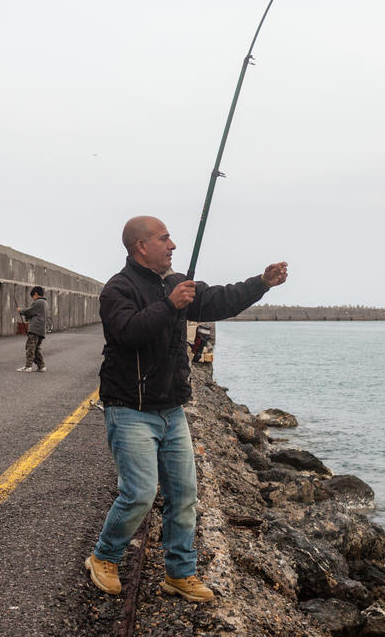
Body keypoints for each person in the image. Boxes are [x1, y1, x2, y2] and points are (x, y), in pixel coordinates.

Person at [84, 216, 287, 603]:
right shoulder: (118, 289)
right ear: (141, 246)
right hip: (130, 408)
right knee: (140, 494)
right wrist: (168, 304)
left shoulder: (176, 284)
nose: (173, 245)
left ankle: (180, 574)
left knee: (183, 495)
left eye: (172, 239)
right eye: (164, 239)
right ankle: (104, 556)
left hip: (172, 409)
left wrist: (261, 283)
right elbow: (127, 331)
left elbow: (220, 299)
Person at [15, 286, 48, 372]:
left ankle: (28, 366)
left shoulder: (38, 302)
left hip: (35, 329)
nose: (33, 299)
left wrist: (20, 311)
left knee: (30, 347)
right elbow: (33, 313)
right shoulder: (44, 303)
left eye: (33, 296)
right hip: (41, 330)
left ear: (36, 294)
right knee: (36, 348)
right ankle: (41, 366)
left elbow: (29, 311)